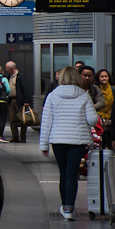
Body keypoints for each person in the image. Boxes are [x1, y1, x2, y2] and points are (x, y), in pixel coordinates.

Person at [39, 67, 98, 221]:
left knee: (63, 173)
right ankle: (69, 208)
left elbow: (46, 122)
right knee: (72, 173)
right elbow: (93, 120)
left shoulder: (52, 96)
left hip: (58, 140)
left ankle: (64, 204)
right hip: (77, 140)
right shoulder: (84, 96)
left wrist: (44, 145)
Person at [5, 61, 32, 143]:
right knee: (12, 119)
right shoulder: (9, 77)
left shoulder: (20, 76)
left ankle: (23, 137)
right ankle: (15, 137)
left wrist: (26, 100)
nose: (6, 70)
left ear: (11, 68)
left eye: (7, 68)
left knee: (22, 119)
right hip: (11, 100)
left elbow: (25, 88)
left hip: (19, 100)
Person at [94, 69, 115, 142]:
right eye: (102, 77)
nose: (104, 78)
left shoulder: (114, 89)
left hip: (111, 119)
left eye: (106, 76)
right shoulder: (95, 89)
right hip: (99, 119)